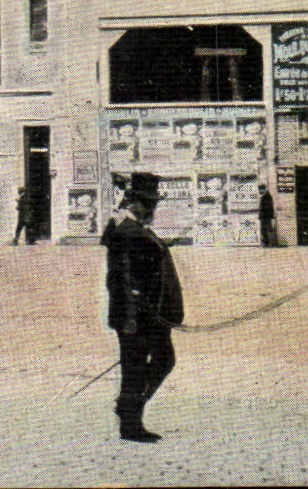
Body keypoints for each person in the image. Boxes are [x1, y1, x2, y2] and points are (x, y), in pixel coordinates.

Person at [102, 173, 185, 443]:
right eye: (149, 204)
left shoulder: (136, 230)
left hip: (151, 315)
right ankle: (130, 423)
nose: (153, 210)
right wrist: (132, 317)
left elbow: (146, 262)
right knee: (137, 368)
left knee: (160, 360)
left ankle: (129, 409)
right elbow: (123, 279)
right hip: (137, 316)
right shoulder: (127, 232)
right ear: (135, 203)